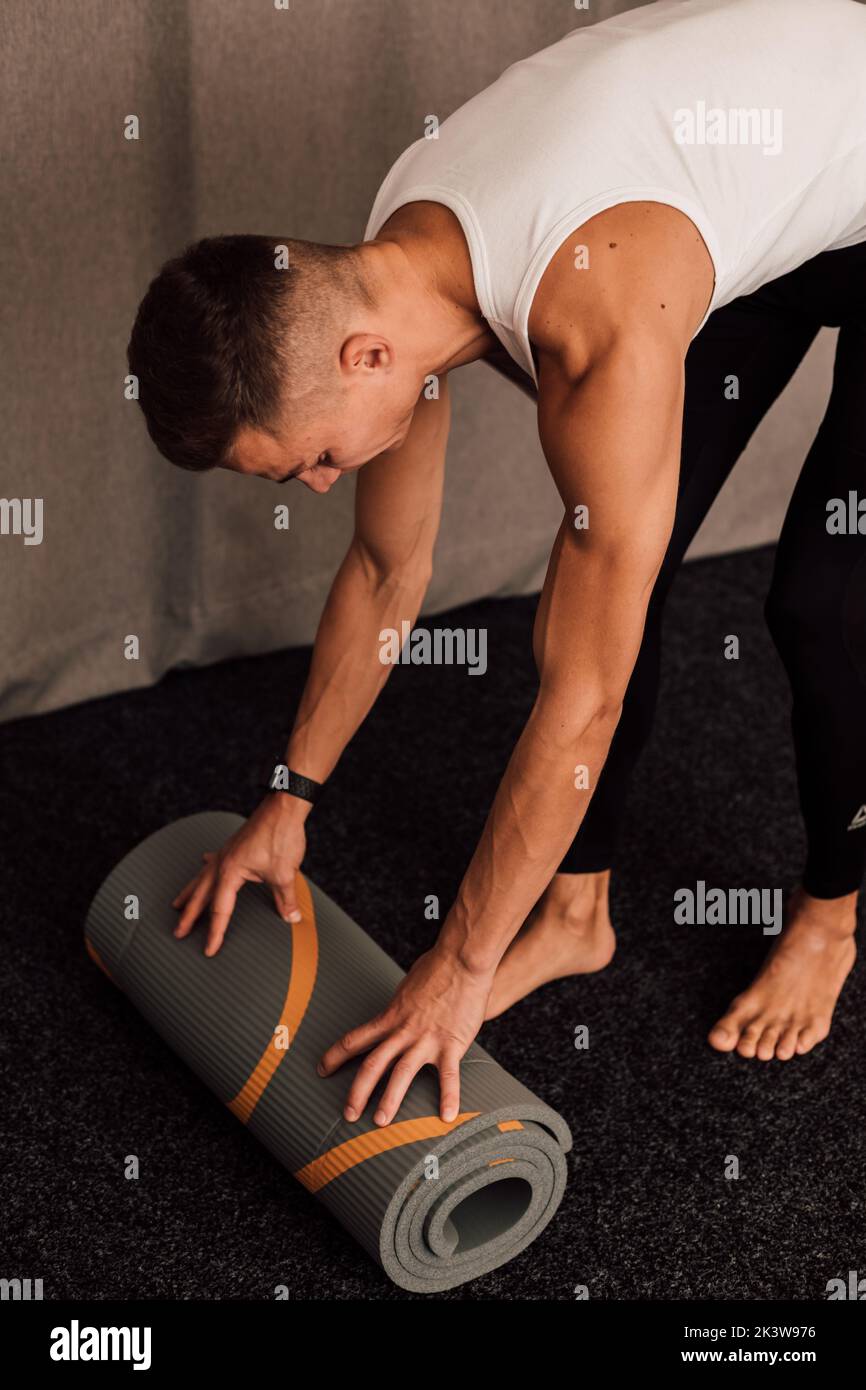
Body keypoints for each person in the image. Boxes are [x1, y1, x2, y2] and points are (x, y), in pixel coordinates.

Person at [127, 0, 866, 1127]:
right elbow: (385, 570)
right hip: (764, 162)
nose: (322, 486)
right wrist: (289, 799)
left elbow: (585, 695)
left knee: (823, 598)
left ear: (362, 358)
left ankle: (831, 911)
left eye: (312, 461)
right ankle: (575, 914)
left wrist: (458, 967)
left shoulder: (598, 325)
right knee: (631, 548)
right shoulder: (392, 262)